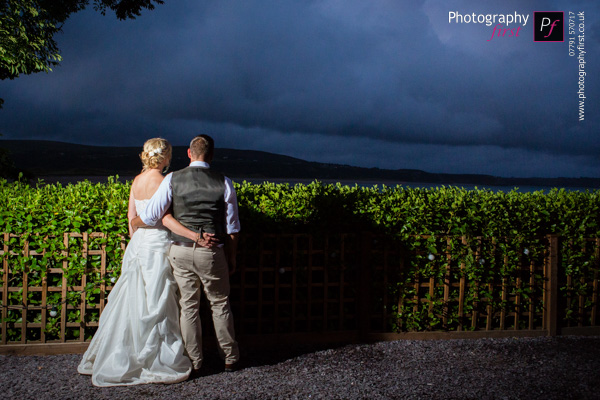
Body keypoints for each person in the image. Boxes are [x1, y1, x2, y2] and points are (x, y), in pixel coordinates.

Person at [77, 138, 207, 387]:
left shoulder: (137, 181)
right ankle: (155, 357)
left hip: (138, 245)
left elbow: (131, 217)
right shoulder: (163, 180)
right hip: (158, 242)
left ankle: (123, 351)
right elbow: (165, 217)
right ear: (166, 157)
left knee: (133, 298)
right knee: (157, 298)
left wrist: (135, 242)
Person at [131, 134, 240, 375]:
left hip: (179, 250)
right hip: (211, 252)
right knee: (219, 304)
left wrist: (134, 222)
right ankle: (230, 358)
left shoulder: (172, 179)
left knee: (188, 306)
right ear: (211, 155)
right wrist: (231, 257)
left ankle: (195, 361)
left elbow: (152, 215)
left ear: (189, 154)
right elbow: (232, 228)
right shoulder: (224, 182)